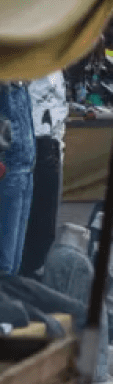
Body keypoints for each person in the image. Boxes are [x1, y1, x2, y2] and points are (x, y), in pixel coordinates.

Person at [20, 71, 68, 278]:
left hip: (48, 137)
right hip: (34, 138)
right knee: (33, 229)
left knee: (41, 228)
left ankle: (29, 278)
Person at [0, 82, 35, 276]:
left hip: (26, 167)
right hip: (9, 169)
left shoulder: (21, 86)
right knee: (4, 262)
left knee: (14, 262)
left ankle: (9, 301)